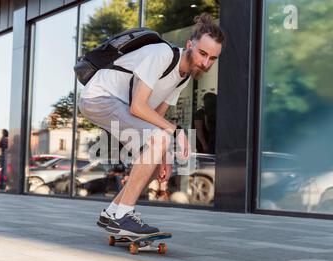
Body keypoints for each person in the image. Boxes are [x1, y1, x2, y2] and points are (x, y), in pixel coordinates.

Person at [78, 13, 224, 236]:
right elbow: (138, 107)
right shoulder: (162, 54)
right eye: (202, 53)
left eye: (212, 58)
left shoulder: (183, 77)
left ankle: (113, 212)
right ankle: (123, 216)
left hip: (119, 106)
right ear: (189, 45)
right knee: (162, 139)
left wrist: (163, 155)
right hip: (99, 98)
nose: (205, 63)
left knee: (153, 166)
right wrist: (178, 132)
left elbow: (156, 117)